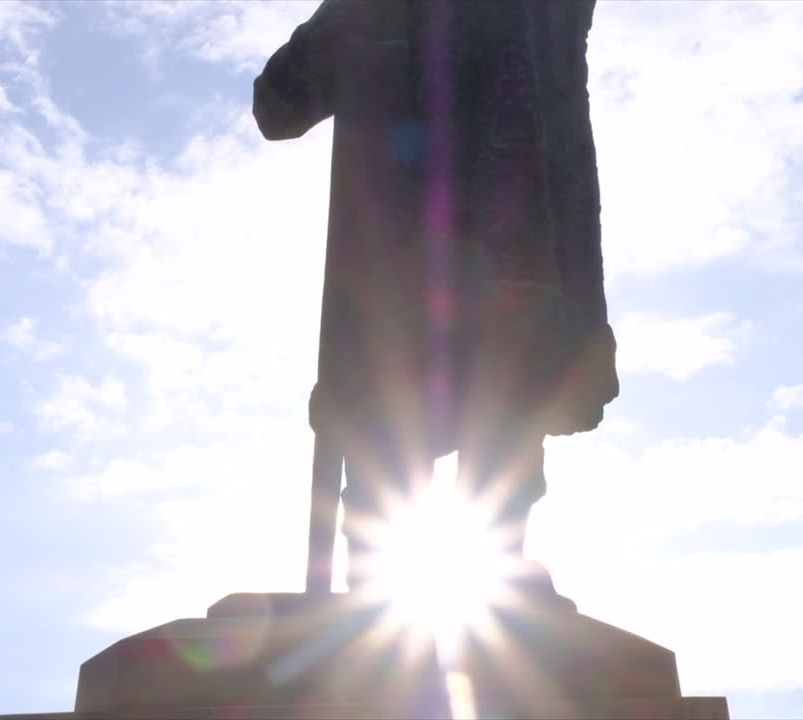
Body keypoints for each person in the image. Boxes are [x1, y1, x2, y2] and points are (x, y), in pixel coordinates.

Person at [253, 0, 617, 591]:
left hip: (469, 253)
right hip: (476, 254)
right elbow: (279, 102)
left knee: (458, 402)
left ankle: (419, 584)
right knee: (453, 404)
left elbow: (280, 100)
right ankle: (427, 583)